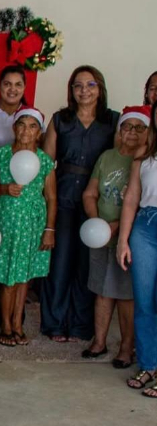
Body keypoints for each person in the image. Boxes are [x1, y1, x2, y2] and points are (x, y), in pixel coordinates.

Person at [41, 65, 120, 343]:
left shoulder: (112, 120)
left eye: (90, 84)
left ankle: (80, 325)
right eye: (78, 85)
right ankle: (54, 323)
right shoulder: (60, 120)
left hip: (97, 202)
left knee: (88, 264)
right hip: (63, 196)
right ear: (71, 90)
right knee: (60, 262)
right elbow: (46, 164)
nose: (84, 90)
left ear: (100, 89)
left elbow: (119, 160)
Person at [82, 106, 150, 367]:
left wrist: (117, 227)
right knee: (102, 290)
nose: (131, 132)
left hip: (130, 238)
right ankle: (99, 342)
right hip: (101, 235)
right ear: (119, 130)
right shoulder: (107, 157)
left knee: (125, 296)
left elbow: (142, 203)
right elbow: (90, 193)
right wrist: (97, 222)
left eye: (139, 128)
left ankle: (126, 347)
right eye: (127, 126)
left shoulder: (146, 162)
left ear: (148, 132)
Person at [0, 109, 56, 347]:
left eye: (32, 126)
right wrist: (5, 189)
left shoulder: (44, 160)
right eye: (22, 124)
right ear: (14, 128)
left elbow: (51, 197)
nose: (26, 130)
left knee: (24, 277)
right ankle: (6, 325)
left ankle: (18, 323)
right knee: (8, 276)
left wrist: (49, 229)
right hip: (6, 221)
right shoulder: (1, 155)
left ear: (39, 133)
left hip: (32, 223)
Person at [117, 101, 157, 397]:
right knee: (144, 301)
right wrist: (123, 240)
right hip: (145, 227)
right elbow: (132, 197)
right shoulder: (145, 153)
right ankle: (149, 365)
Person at [0, 66, 28, 148]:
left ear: (24, 88)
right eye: (7, 84)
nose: (12, 89)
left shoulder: (32, 115)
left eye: (18, 85)